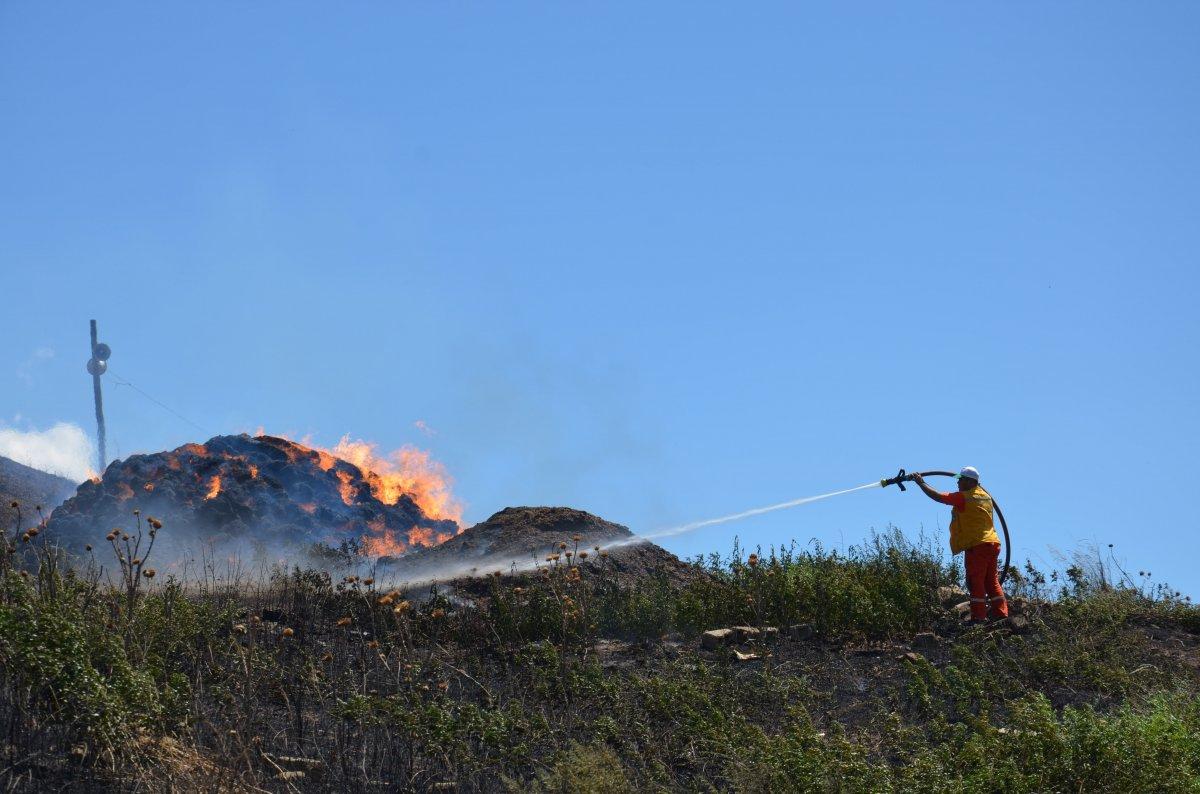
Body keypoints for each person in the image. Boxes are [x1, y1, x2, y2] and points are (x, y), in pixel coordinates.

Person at [911, 467, 1008, 623]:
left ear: (971, 482)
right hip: (992, 543)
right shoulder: (985, 497)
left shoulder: (964, 497)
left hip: (977, 545)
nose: (958, 482)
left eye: (961, 479)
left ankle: (978, 617)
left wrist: (921, 483)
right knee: (991, 580)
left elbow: (938, 496)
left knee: (975, 581)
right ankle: (1000, 613)